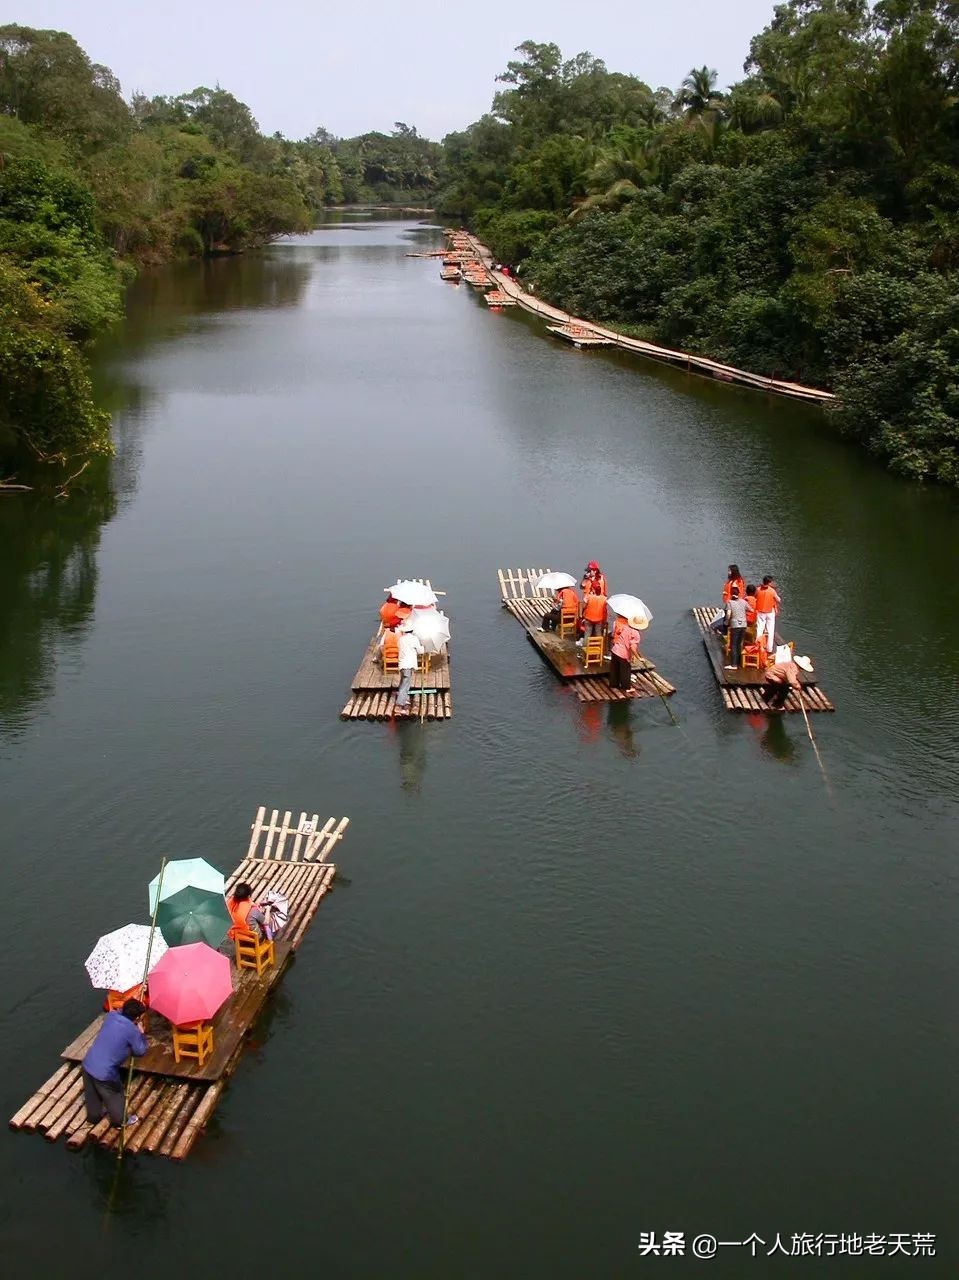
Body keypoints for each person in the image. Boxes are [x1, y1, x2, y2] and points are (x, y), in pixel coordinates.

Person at [82, 997, 148, 1128]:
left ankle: (94, 1117)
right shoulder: (132, 1030)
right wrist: (141, 1033)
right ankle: (120, 1121)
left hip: (88, 1063)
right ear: (136, 1018)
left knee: (92, 1094)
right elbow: (140, 1051)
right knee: (115, 1095)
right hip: (105, 1072)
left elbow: (118, 1013)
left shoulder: (111, 1016)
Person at [609, 614, 647, 693]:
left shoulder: (625, 627)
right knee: (625, 670)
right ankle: (626, 687)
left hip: (615, 650)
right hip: (623, 654)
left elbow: (619, 633)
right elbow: (632, 647)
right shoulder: (636, 633)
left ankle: (614, 684)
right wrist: (639, 658)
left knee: (615, 668)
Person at [394, 623, 424, 717]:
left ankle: (404, 698)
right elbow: (420, 651)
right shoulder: (414, 639)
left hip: (402, 664)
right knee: (405, 684)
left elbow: (399, 647)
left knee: (403, 681)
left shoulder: (401, 639)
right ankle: (399, 705)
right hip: (409, 664)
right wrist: (422, 647)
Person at [755, 576, 782, 654]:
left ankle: (758, 646)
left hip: (760, 611)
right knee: (770, 630)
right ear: (770, 583)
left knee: (759, 629)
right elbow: (778, 600)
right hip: (770, 612)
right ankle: (769, 649)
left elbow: (755, 597)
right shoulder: (772, 591)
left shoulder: (758, 589)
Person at [724, 586, 749, 669]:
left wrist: (726, 622)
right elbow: (751, 609)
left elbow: (728, 614)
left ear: (731, 593)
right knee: (740, 643)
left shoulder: (730, 602)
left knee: (733, 644)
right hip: (744, 625)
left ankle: (734, 665)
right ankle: (739, 662)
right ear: (739, 593)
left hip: (735, 625)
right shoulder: (743, 602)